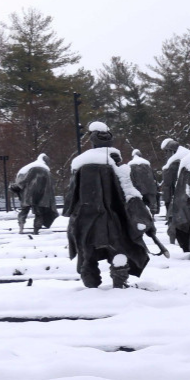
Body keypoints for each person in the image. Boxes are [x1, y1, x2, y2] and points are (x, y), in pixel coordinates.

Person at [63, 122, 150, 288]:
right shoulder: (115, 165)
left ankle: (91, 287)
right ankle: (119, 284)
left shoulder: (80, 163)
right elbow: (128, 193)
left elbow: (71, 198)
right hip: (112, 219)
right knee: (118, 250)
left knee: (87, 255)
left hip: (85, 220)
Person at [10, 154, 57, 234]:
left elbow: (21, 181)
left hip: (27, 195)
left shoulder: (28, 168)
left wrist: (16, 187)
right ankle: (36, 230)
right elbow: (50, 186)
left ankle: (21, 226)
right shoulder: (46, 171)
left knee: (24, 211)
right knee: (39, 213)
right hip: (41, 196)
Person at [127, 149, 159, 215]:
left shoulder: (130, 165)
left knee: (140, 204)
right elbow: (153, 176)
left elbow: (130, 178)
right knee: (151, 204)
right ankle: (152, 215)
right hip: (150, 188)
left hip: (137, 188)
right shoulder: (147, 164)